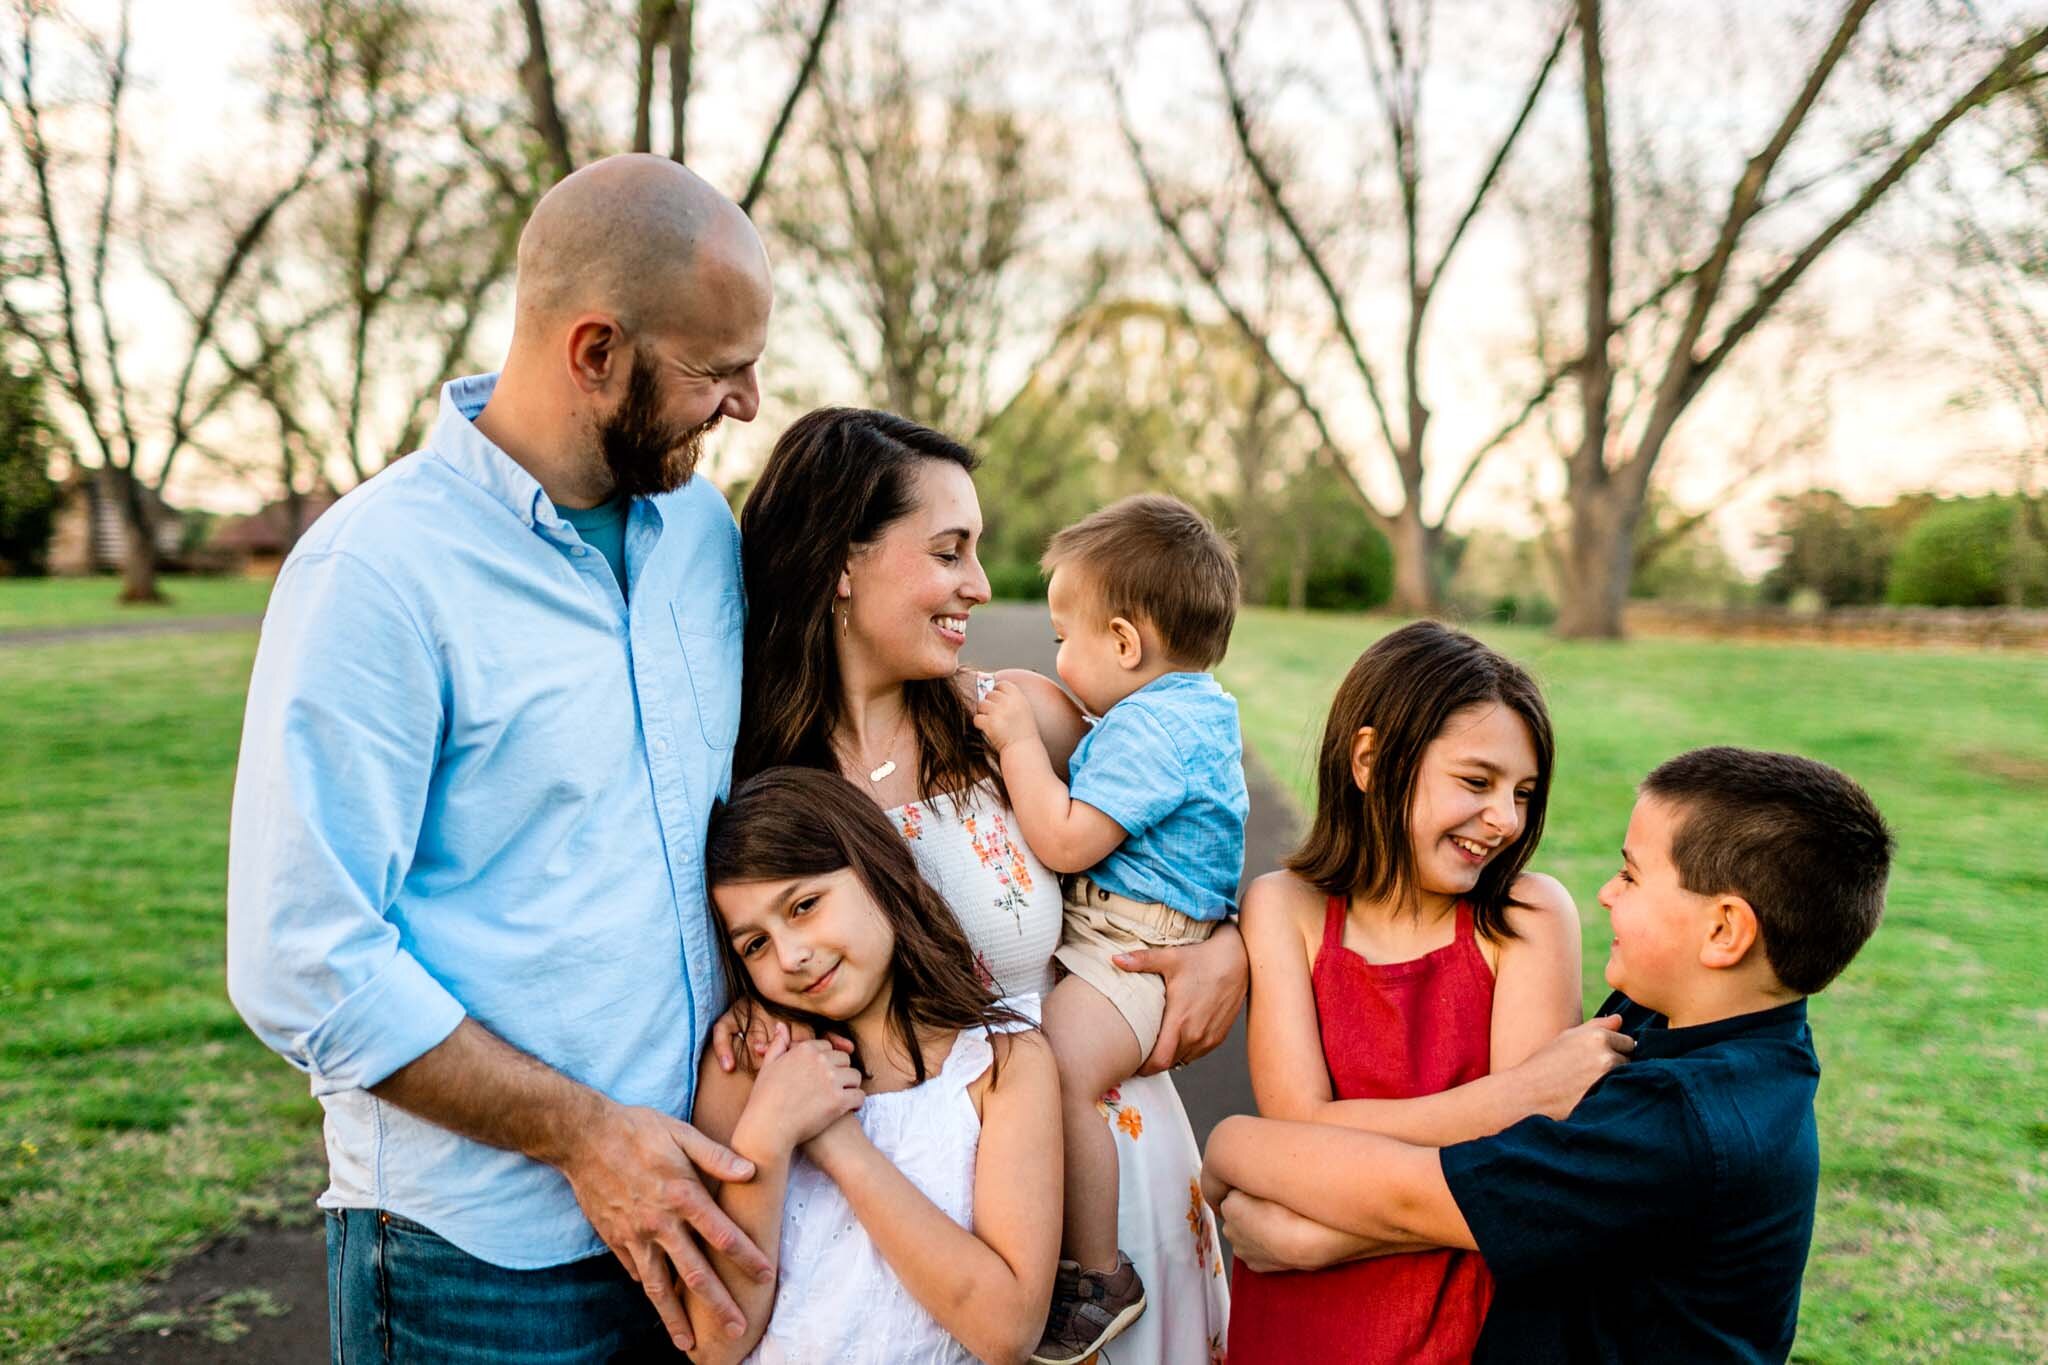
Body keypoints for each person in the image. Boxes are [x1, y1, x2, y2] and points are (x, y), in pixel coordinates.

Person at [226, 155, 774, 1362]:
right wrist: (585, 1137)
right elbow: (302, 961)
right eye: (716, 371)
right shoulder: (375, 573)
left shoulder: (697, 529)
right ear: (594, 351)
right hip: (476, 1260)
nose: (744, 405)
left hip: (697, 1214)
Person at [718, 406, 1238, 1362]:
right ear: (841, 561)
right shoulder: (761, 787)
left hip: (1099, 1184)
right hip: (913, 1233)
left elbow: (1187, 822)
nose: (980, 585)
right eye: (950, 550)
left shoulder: (1016, 720)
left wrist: (1225, 943)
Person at [1203, 745, 1894, 1365]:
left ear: (1723, 930)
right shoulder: (1702, 1027)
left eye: (1630, 874)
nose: (1606, 892)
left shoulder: (1678, 1125)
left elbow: (1417, 1197)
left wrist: (1242, 1149)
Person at [1221, 621, 1590, 1362]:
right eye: (1477, 782)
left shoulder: (1527, 917)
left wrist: (1323, 1235)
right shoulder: (1286, 907)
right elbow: (1299, 1123)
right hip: (1301, 1322)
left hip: (1463, 1316)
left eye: (1522, 793)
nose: (1507, 820)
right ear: (1371, 758)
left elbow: (1524, 1167)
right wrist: (1517, 1093)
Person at [971, 494, 1248, 1364]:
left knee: (1058, 1069)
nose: (1056, 656)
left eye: (1065, 637)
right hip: (1122, 930)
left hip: (1130, 946)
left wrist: (1018, 740)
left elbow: (1061, 838)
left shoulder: (1156, 730)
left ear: (1125, 643)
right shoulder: (1179, 711)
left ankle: (1097, 1274)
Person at [685, 766, 1061, 1365]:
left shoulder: (1000, 1063)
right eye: (754, 944)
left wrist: (837, 1143)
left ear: (876, 870)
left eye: (804, 905)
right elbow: (713, 1341)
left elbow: (1007, 1328)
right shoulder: (750, 1068)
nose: (792, 955)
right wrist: (767, 1134)